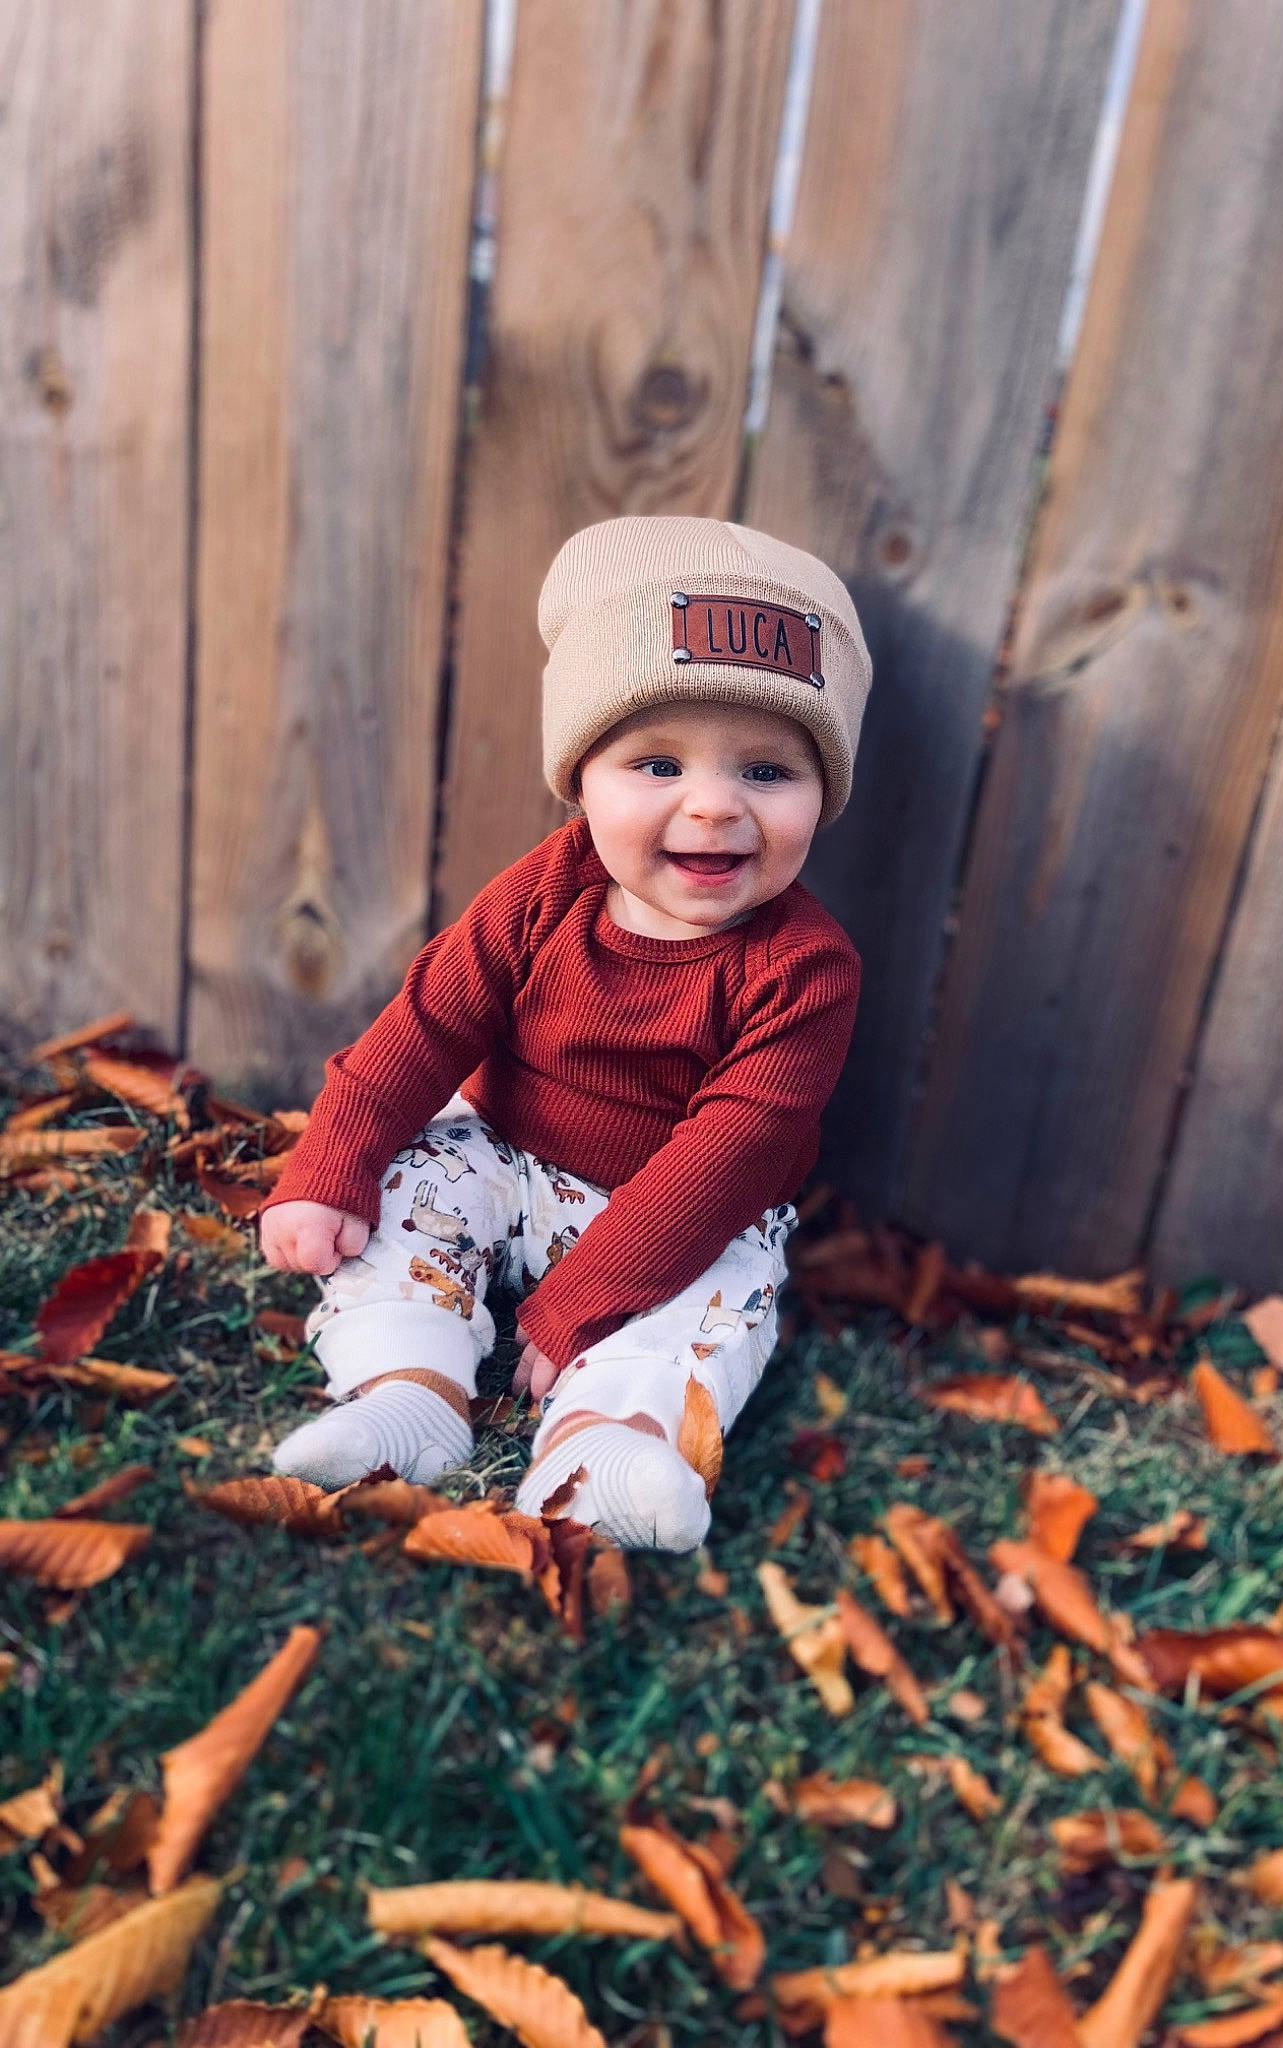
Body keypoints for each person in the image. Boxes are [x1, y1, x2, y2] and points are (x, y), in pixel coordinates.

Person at [256, 515, 870, 1550]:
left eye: (768, 772)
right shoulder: (547, 890)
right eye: (658, 764)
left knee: (720, 1297)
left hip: (677, 1217)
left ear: (823, 794)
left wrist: (588, 1297)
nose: (713, 806)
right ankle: (406, 1391)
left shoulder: (805, 967)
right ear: (580, 779)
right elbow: (429, 1021)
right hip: (503, 1155)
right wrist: (334, 1161)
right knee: (417, 1178)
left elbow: (729, 1155)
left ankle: (609, 1448)